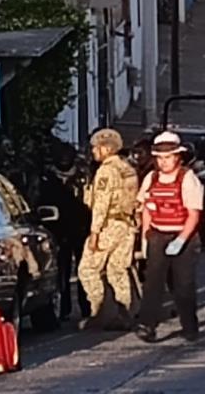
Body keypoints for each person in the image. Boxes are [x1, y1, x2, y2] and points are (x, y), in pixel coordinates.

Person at [135, 132, 204, 343]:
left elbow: (194, 214)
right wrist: (146, 237)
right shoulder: (151, 178)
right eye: (160, 158)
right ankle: (147, 325)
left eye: (168, 157)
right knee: (152, 283)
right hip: (157, 234)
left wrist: (181, 240)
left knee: (183, 284)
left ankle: (190, 327)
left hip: (183, 236)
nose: (163, 162)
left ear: (178, 157)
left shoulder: (188, 179)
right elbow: (146, 208)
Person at [77, 129, 140, 330]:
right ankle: (125, 312)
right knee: (117, 269)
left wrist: (95, 233)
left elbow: (101, 204)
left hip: (109, 225)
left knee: (87, 269)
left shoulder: (106, 171)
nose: (93, 151)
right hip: (126, 225)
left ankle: (98, 310)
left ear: (107, 148)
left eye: (96, 147)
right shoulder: (127, 168)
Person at [39, 142, 92, 320]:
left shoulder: (83, 174)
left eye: (67, 155)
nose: (64, 159)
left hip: (81, 227)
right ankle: (64, 309)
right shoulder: (47, 176)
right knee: (61, 271)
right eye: (60, 155)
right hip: (58, 230)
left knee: (84, 270)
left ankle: (87, 307)